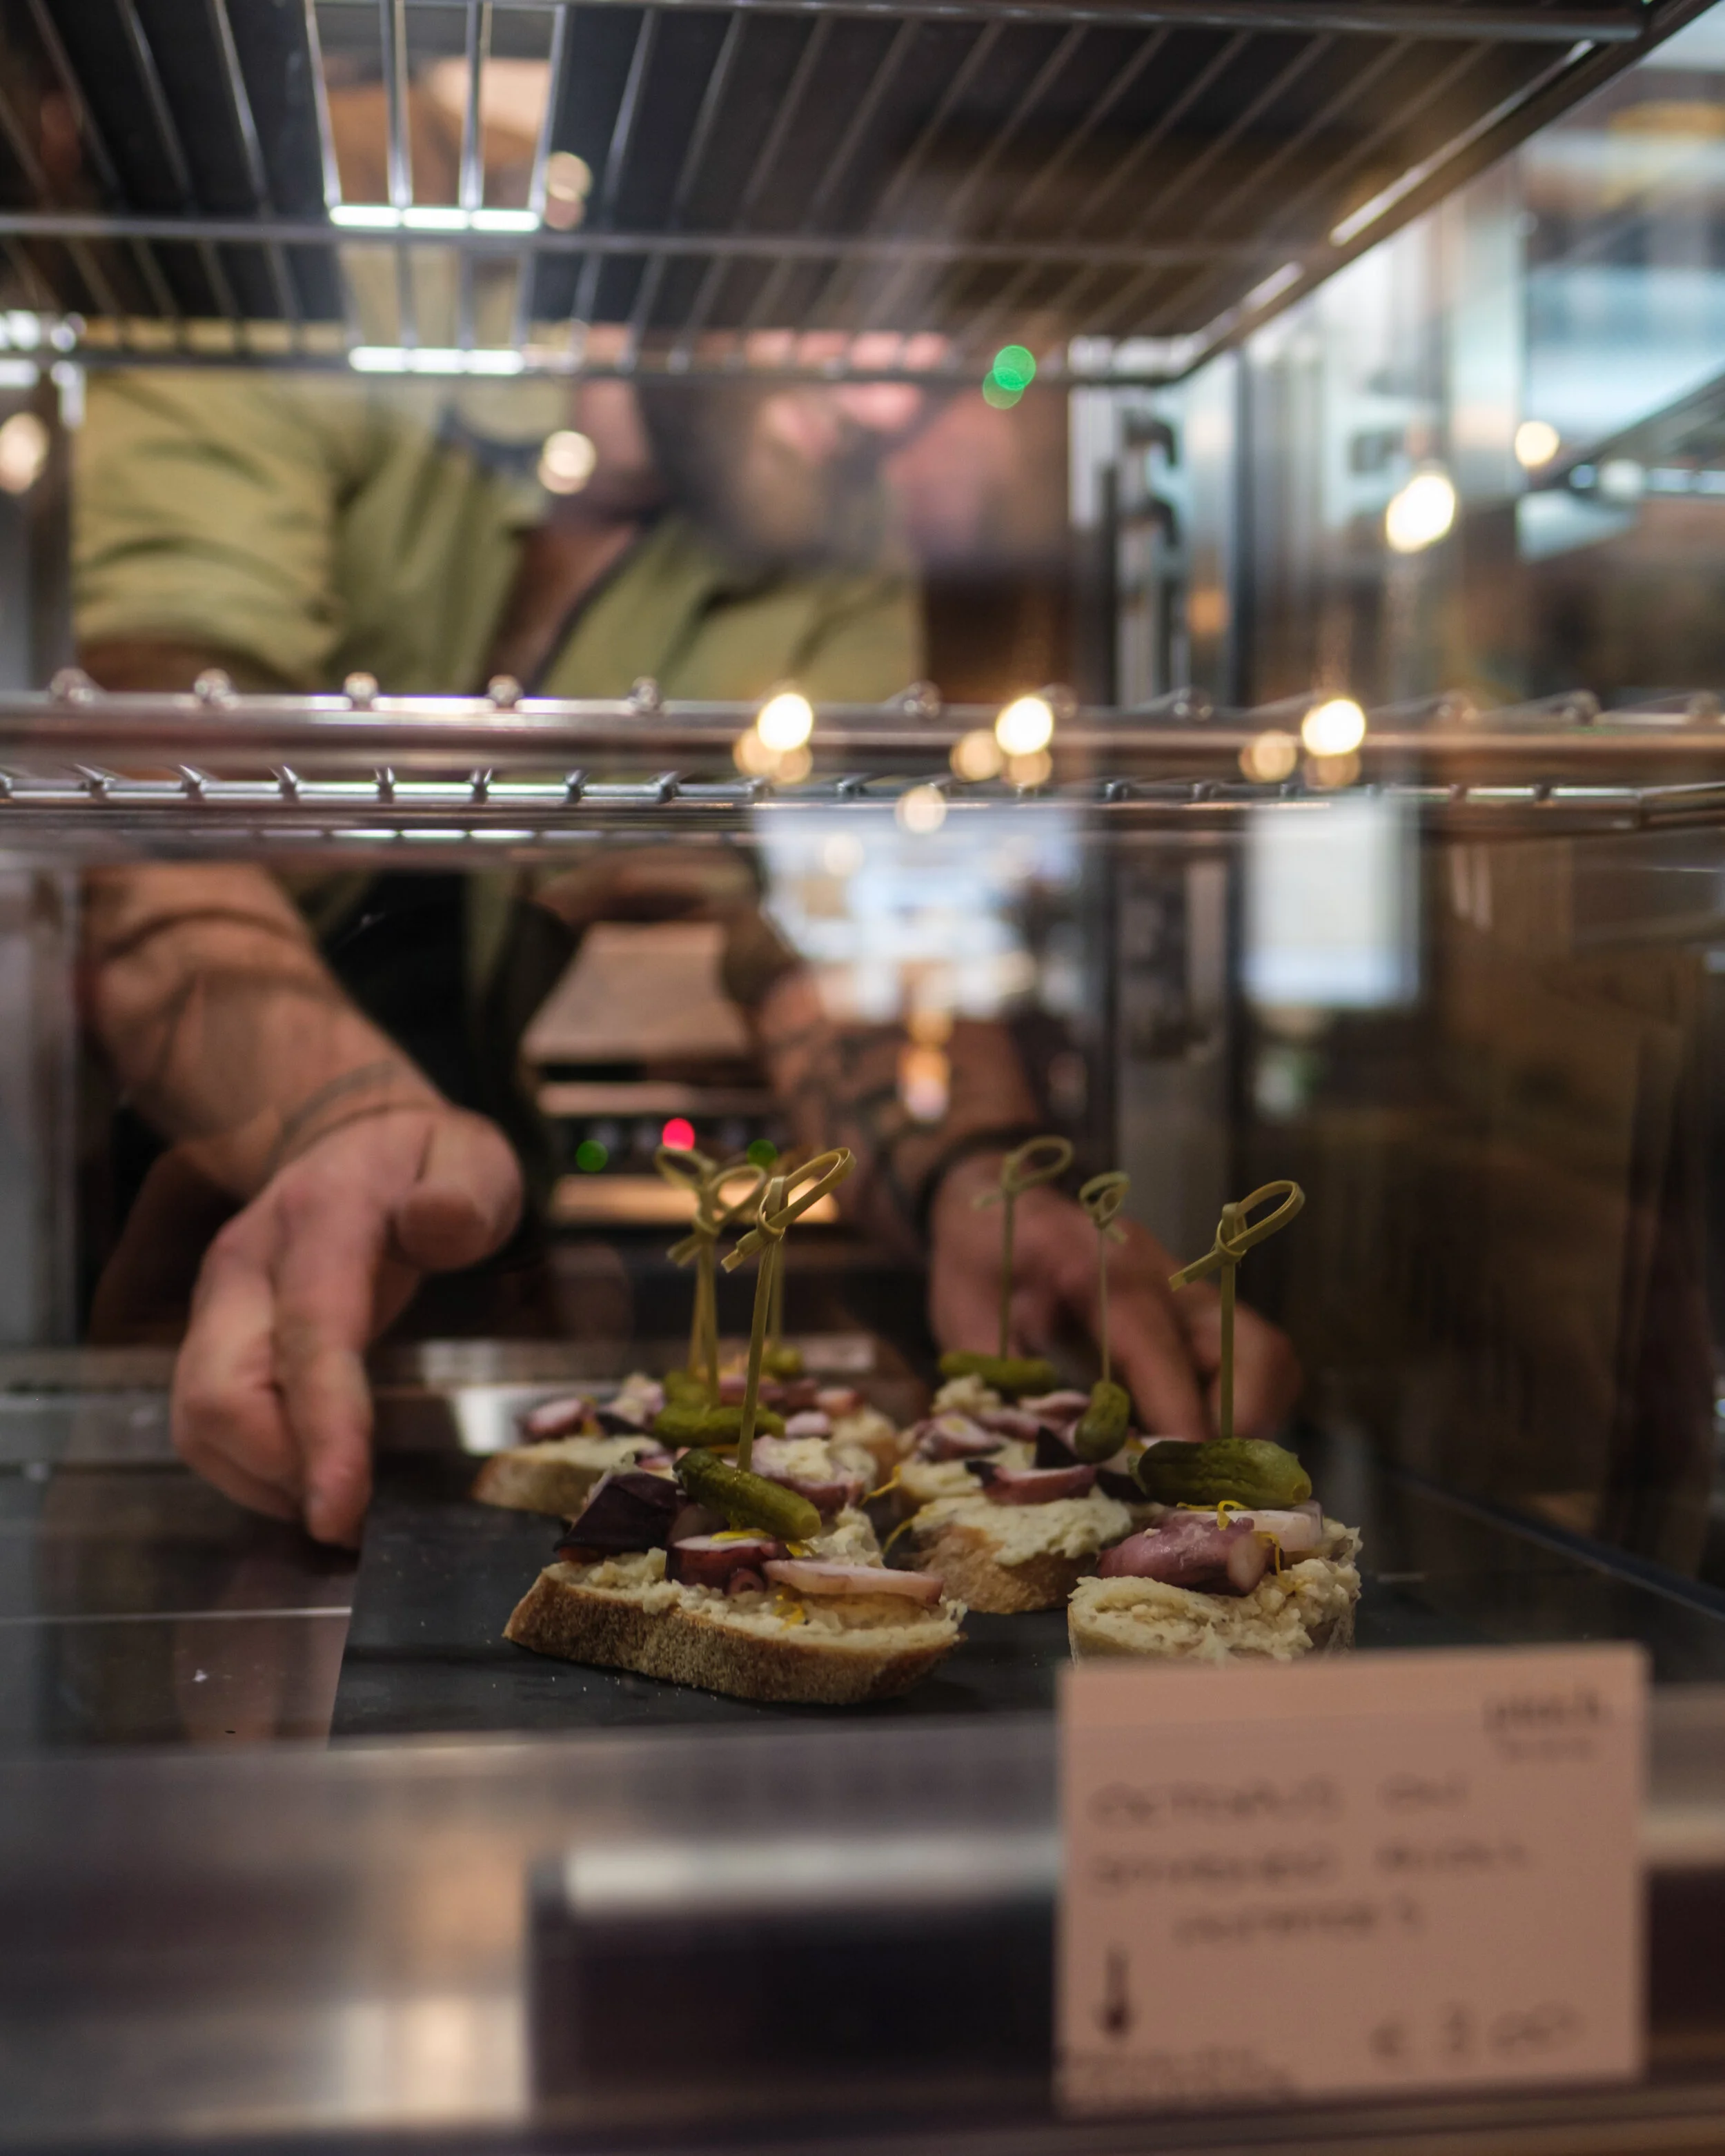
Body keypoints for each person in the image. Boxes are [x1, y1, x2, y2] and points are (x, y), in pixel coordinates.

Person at [73, 357, 1299, 1547]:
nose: (891, 399)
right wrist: (338, 1117)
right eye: (840, 310)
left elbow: (849, 935)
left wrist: (978, 1178)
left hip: (490, 1235)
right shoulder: (329, 328)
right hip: (207, 1238)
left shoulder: (834, 515)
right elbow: (147, 816)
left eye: (937, 347)